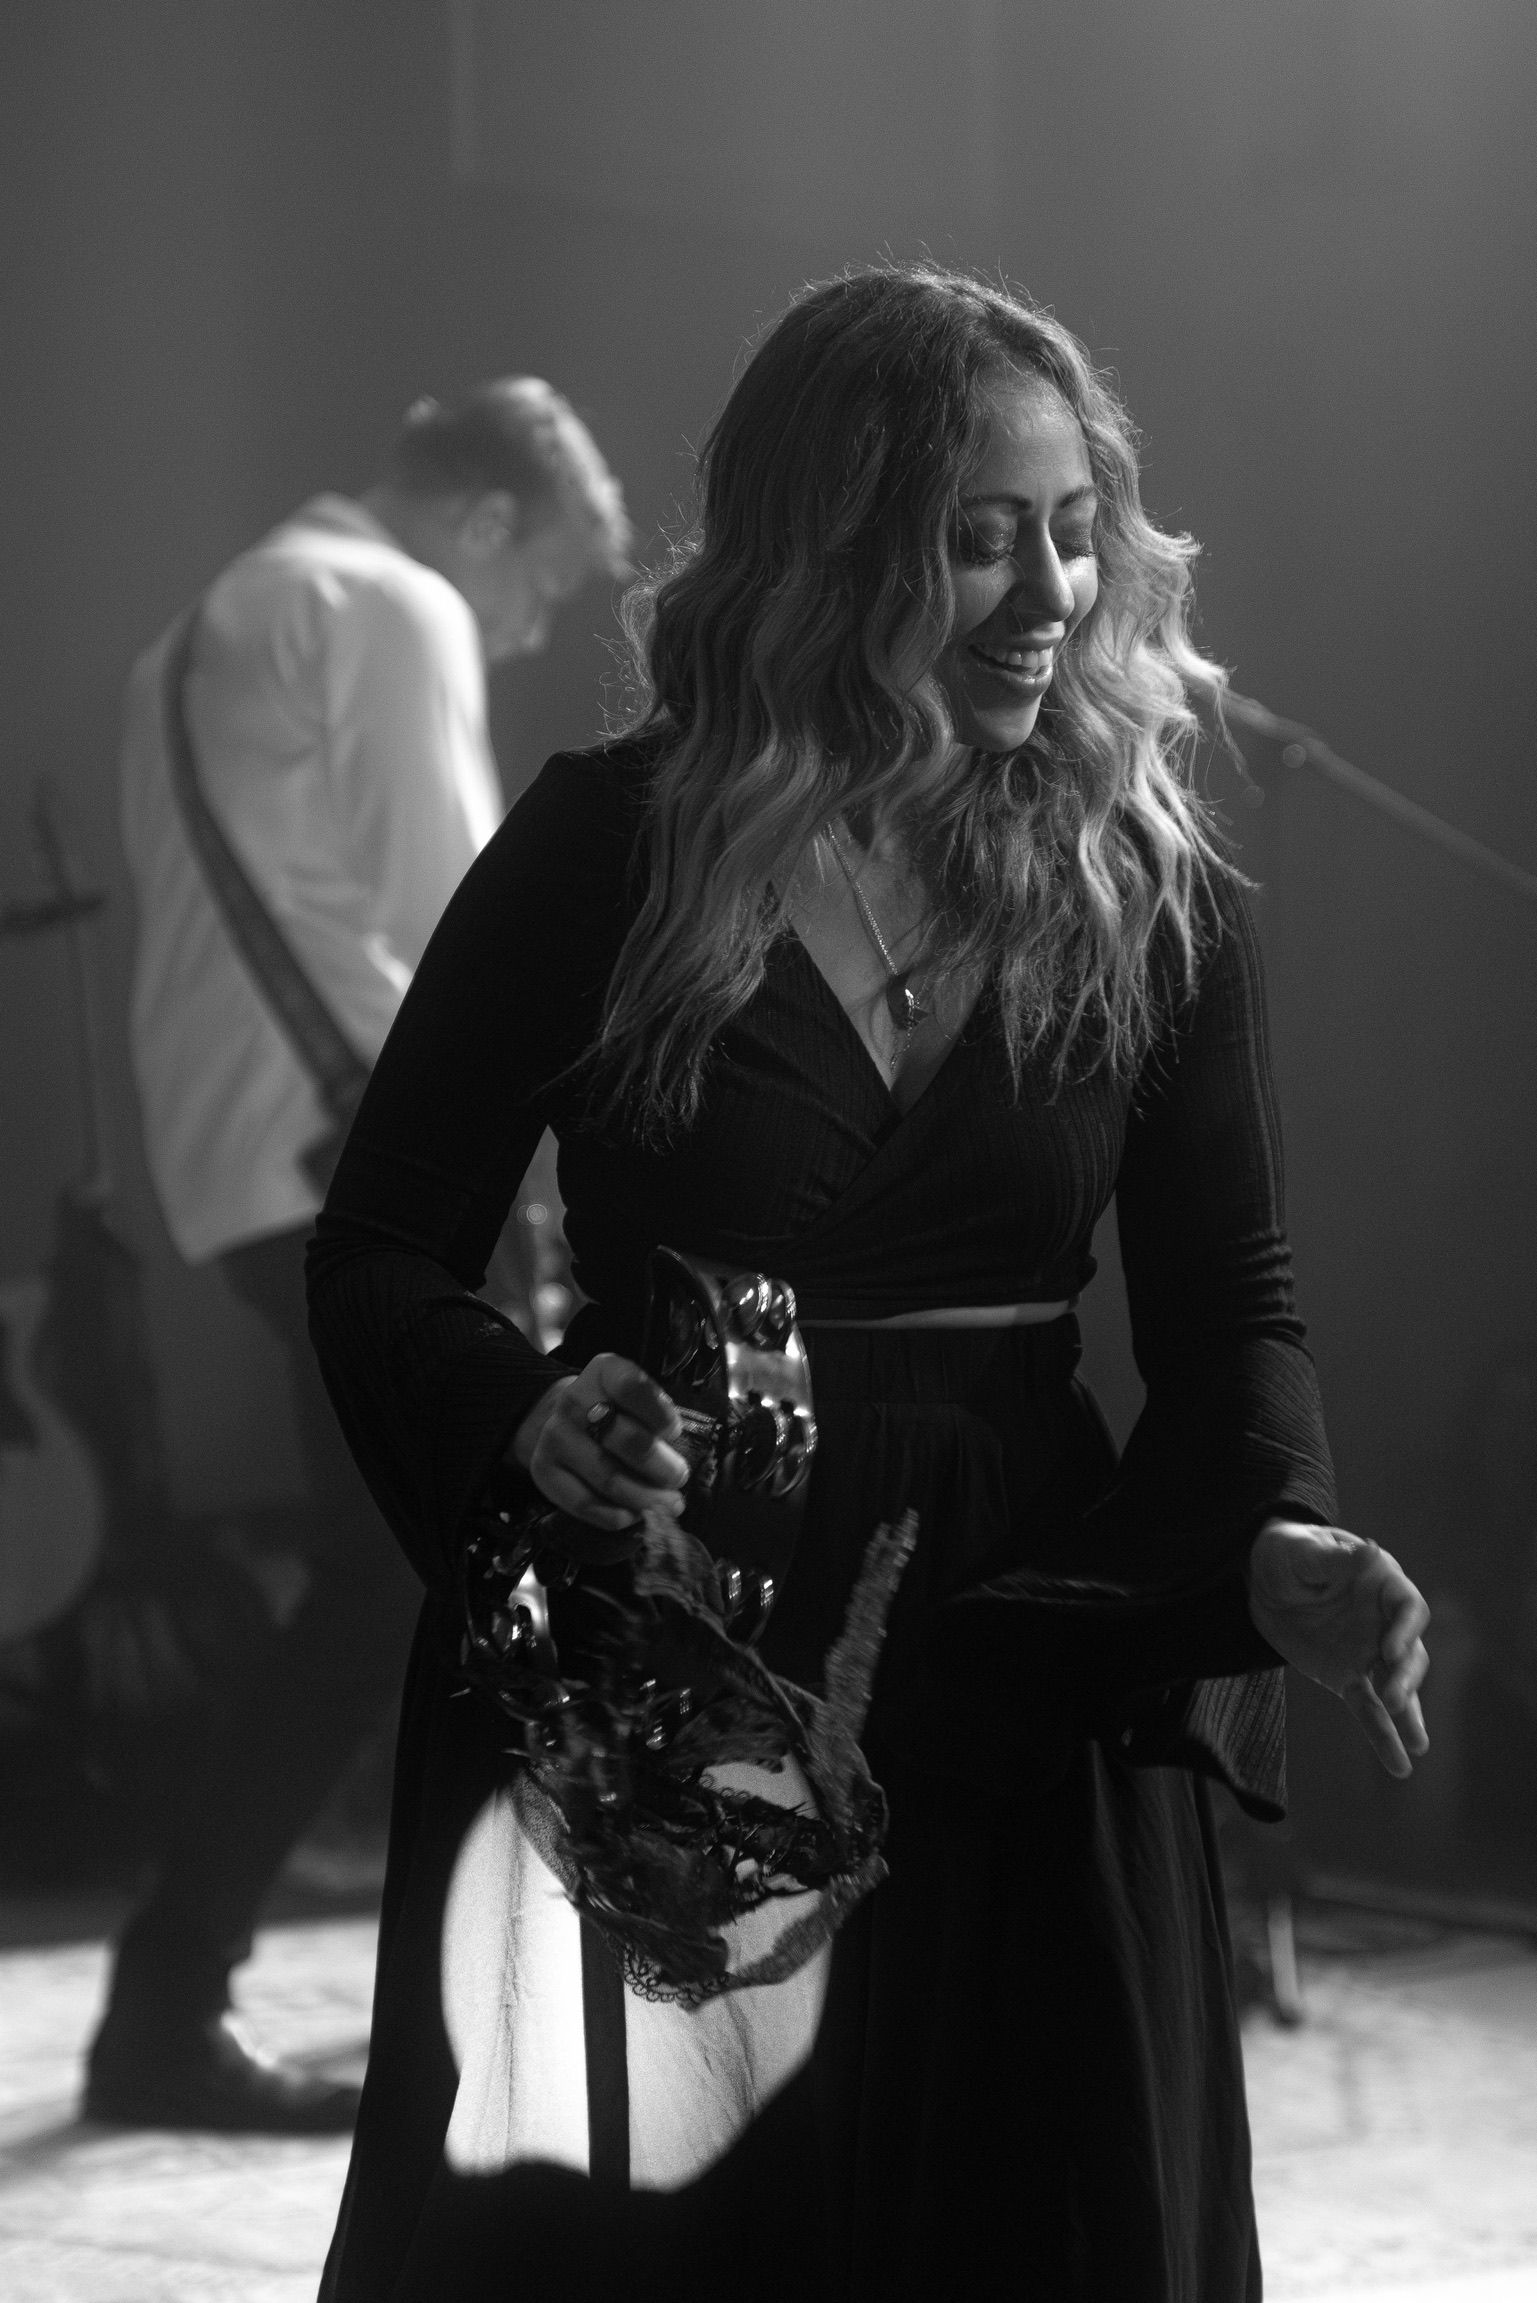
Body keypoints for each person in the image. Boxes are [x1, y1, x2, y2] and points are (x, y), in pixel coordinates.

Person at [306, 268, 1430, 2298]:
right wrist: (519, 1408)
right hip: (658, 1640)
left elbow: (1234, 1308)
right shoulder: (605, 850)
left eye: (1074, 529)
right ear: (826, 551)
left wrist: (1264, 1544)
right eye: (977, 536)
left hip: (1025, 1633)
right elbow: (386, 1248)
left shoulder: (1153, 882)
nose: (1049, 595)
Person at [93, 380, 631, 2132]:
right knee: (411, 1574)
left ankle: (244, 1988)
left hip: (240, 1160)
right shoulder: (385, 603)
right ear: (482, 521)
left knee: (410, 1566)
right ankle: (183, 2004)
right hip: (358, 1159)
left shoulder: (207, 619)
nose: (527, 623)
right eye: (537, 587)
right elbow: (470, 914)